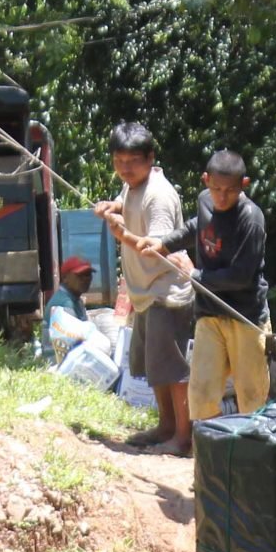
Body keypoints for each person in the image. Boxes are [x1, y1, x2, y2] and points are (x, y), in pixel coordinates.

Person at [134, 147, 270, 432]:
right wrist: (164, 244)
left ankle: (253, 461)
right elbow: (197, 227)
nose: (221, 197)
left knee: (252, 397)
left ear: (243, 186)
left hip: (245, 316)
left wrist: (193, 274)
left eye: (229, 191)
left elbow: (241, 277)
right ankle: (209, 459)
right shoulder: (205, 202)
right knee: (202, 392)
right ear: (205, 180)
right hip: (209, 314)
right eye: (216, 188)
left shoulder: (251, 219)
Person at [94, 122, 194, 451]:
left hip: (166, 292)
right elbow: (126, 203)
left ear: (150, 158)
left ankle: (182, 437)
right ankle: (166, 426)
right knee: (157, 369)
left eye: (133, 161)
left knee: (175, 370)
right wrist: (113, 206)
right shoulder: (132, 184)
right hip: (146, 294)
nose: (125, 168)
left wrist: (123, 236)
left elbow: (160, 246)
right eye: (119, 160)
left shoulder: (159, 195)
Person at [43, 255, 99, 362]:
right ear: (65, 278)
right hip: (58, 362)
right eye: (80, 275)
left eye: (88, 274)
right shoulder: (64, 303)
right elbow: (73, 342)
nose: (86, 279)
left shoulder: (75, 299)